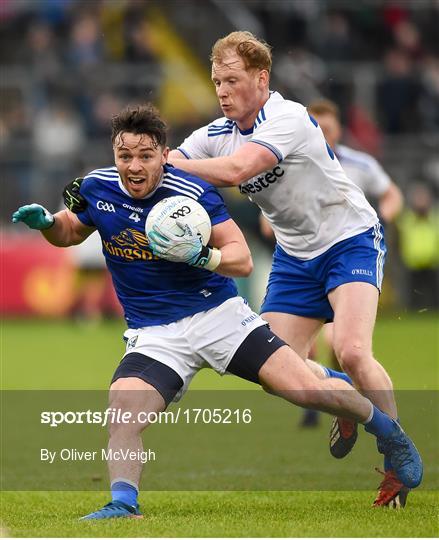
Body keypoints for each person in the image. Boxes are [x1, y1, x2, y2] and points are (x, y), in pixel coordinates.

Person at [13, 104, 422, 519]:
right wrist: (47, 222)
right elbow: (69, 229)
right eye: (125, 157)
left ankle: (389, 432)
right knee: (122, 410)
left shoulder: (191, 190)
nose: (134, 166)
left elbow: (241, 259)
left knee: (304, 389)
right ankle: (123, 504)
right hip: (155, 334)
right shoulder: (98, 187)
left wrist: (200, 255)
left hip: (218, 316)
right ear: (114, 154)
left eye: (145, 156)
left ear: (164, 154)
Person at [164, 31, 414, 508]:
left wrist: (178, 165)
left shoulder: (289, 117)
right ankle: (340, 394)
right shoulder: (214, 134)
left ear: (261, 78)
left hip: (349, 239)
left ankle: (396, 461)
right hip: (296, 257)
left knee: (353, 350)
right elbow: (174, 160)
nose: (221, 91)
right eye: (217, 81)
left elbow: (239, 170)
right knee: (276, 370)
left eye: (232, 80)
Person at [259, 99, 404, 429]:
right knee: (281, 361)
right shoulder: (288, 164)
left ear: (338, 129)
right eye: (317, 127)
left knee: (345, 348)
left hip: (350, 255)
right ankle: (338, 397)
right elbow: (268, 217)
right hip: (302, 261)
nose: (322, 133)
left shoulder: (360, 164)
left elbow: (391, 193)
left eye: (328, 128)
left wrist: (386, 215)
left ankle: (392, 441)